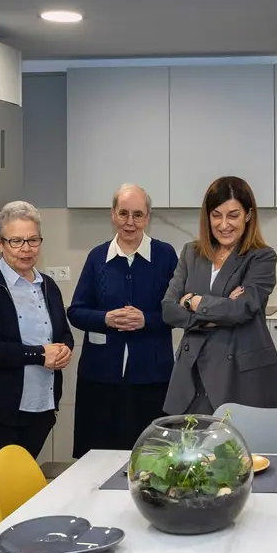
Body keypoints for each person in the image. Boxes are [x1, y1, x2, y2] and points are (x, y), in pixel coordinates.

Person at [0, 201, 75, 536]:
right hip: (0, 410)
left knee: (21, 493)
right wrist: (37, 355)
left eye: (33, 240)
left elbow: (63, 329)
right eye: (17, 241)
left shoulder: (48, 285)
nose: (26, 249)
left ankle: (19, 545)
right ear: (0, 243)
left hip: (41, 407)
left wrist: (64, 348)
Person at [162, 176, 277, 414]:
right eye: (216, 215)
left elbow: (241, 309)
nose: (224, 224)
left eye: (233, 215)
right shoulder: (191, 252)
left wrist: (193, 301)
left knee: (241, 448)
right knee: (195, 447)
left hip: (239, 376)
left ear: (248, 215)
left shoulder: (261, 257)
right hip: (193, 373)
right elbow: (169, 309)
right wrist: (220, 310)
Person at [67, 184, 179, 457]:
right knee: (98, 458)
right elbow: (76, 311)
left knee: (153, 458)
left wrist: (146, 320)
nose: (130, 222)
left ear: (148, 217)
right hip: (101, 379)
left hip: (152, 378)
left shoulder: (165, 256)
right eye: (124, 213)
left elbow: (178, 312)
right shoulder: (97, 257)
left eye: (138, 215)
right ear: (113, 215)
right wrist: (106, 318)